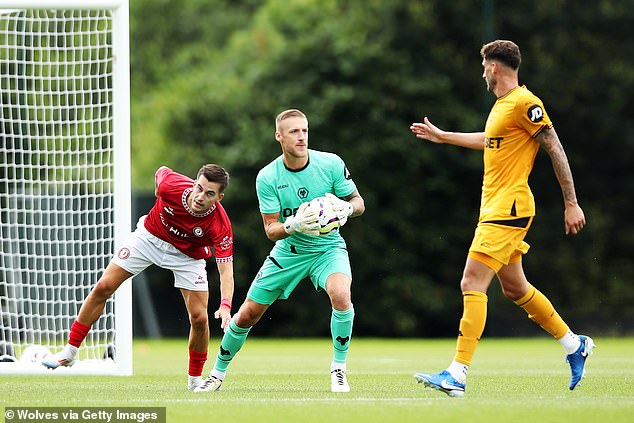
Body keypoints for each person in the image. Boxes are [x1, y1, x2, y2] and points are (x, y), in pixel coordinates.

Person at [410, 40, 593, 397]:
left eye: (483, 67)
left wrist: (571, 203)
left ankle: (457, 374)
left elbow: (554, 146)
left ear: (494, 67)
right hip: (497, 209)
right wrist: (443, 136)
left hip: (507, 209)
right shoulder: (502, 107)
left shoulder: (526, 102)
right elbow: (489, 140)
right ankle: (574, 345)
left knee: (470, 282)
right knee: (515, 288)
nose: (482, 73)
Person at [194, 108, 365, 393]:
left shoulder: (331, 163)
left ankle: (339, 370)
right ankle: (217, 374)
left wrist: (348, 208)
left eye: (305, 131)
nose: (301, 137)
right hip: (289, 250)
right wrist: (295, 224)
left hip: (328, 248)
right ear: (279, 136)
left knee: (341, 294)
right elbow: (271, 230)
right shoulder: (268, 177)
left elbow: (359, 202)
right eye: (294, 132)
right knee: (247, 314)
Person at [42, 164, 235, 392]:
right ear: (194, 182)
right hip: (149, 238)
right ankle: (70, 352)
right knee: (103, 287)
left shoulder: (220, 225)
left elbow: (226, 271)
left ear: (219, 197)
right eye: (199, 188)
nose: (200, 197)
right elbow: (161, 171)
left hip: (187, 257)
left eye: (209, 193)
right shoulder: (170, 186)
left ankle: (194, 381)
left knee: (200, 319)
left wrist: (225, 305)